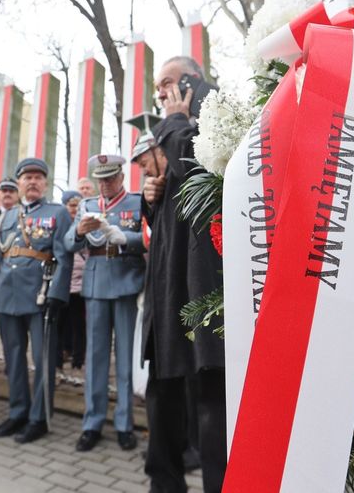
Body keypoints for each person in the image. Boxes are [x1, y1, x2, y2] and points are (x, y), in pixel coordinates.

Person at [132, 56, 227, 493]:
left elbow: (203, 172)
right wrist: (152, 197)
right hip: (170, 279)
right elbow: (176, 197)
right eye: (157, 85)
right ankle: (164, 481)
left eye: (168, 81)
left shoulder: (213, 113)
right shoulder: (176, 124)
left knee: (211, 396)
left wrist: (174, 124)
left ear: (192, 79)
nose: (161, 91)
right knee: (163, 384)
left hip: (203, 278)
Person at [0, 157, 73, 444]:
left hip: (40, 296)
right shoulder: (7, 216)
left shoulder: (58, 213)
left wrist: (57, 294)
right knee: (13, 357)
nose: (33, 182)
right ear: (20, 182)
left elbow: (63, 256)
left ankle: (38, 418)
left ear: (45, 183)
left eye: (38, 177)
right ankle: (18, 412)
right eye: (28, 177)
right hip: (6, 295)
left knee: (42, 360)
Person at [65, 155, 146, 452]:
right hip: (96, 281)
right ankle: (92, 422)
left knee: (124, 358)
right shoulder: (86, 205)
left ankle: (124, 424)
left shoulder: (136, 203)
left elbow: (148, 237)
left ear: (122, 177)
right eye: (101, 179)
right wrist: (78, 231)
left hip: (125, 280)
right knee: (96, 358)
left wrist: (125, 237)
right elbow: (68, 243)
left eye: (110, 178)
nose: (105, 184)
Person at [57, 190, 86, 374]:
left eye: (77, 205)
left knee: (79, 323)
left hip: (80, 284)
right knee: (60, 323)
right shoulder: (60, 224)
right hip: (63, 282)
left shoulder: (85, 223)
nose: (74, 209)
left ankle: (78, 359)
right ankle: (58, 358)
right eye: (71, 205)